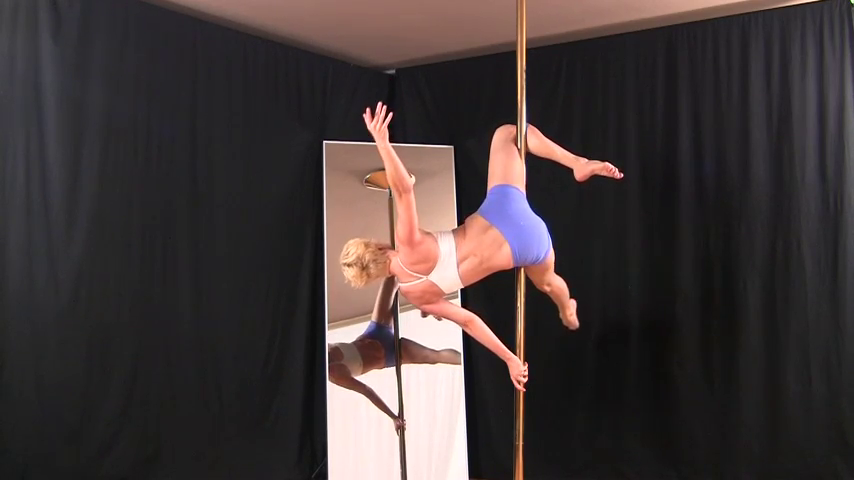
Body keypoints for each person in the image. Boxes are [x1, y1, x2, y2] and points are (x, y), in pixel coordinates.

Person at [340, 102, 624, 391]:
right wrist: (383, 143)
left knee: (549, 282)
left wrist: (510, 359)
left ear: (373, 277)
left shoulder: (416, 295)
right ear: (376, 247)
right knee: (507, 134)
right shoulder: (407, 244)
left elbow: (469, 322)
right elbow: (403, 189)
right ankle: (577, 163)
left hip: (525, 244)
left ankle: (567, 310)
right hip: (502, 209)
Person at [328, 275, 462, 434]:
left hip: (375, 333)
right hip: (388, 353)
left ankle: (426, 300)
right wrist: (393, 416)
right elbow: (367, 391)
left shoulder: (326, 351)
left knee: (391, 278)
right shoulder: (334, 373)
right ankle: (468, 358)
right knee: (434, 356)